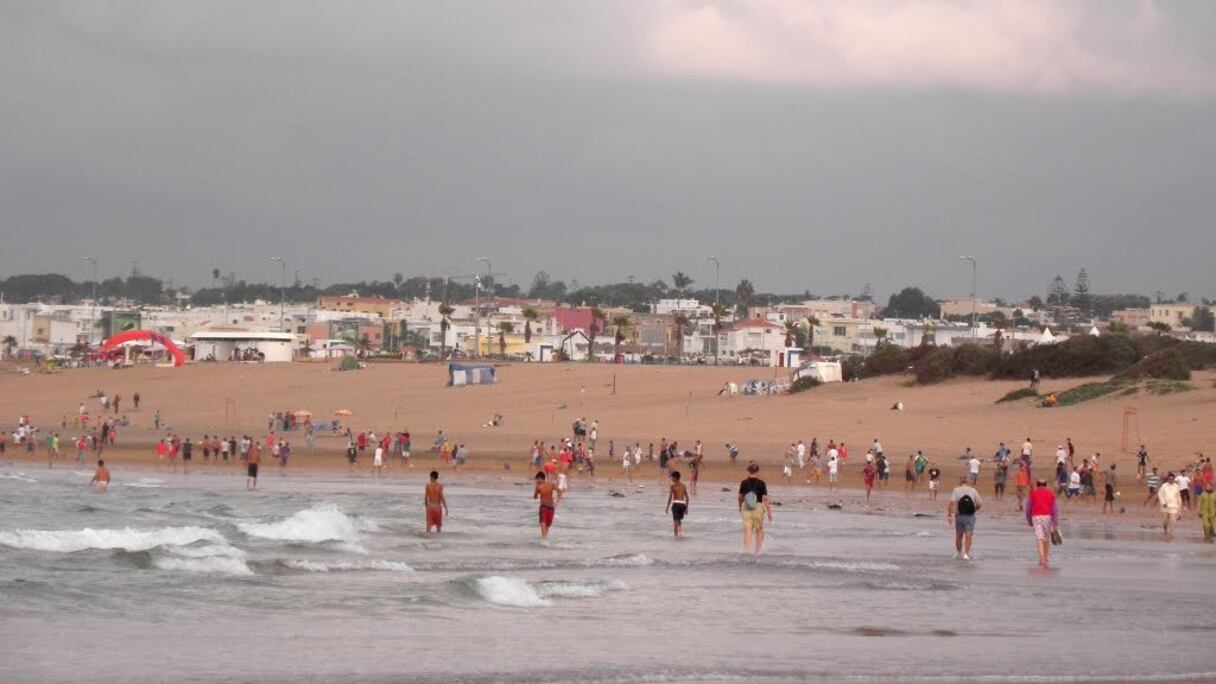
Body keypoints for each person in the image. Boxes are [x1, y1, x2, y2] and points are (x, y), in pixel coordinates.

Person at [738, 463, 772, 555]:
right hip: (758, 507)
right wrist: (769, 512)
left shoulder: (744, 483)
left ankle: (746, 551)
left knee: (748, 531)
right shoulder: (762, 483)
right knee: (759, 530)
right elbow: (765, 498)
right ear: (757, 471)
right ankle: (758, 551)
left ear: (748, 471)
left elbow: (740, 497)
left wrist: (740, 506)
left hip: (747, 507)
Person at [1026, 478, 1060, 568]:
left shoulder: (1032, 493)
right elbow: (1055, 509)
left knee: (1039, 538)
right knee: (1046, 538)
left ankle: (1041, 558)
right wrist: (1055, 522)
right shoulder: (1051, 493)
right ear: (1046, 485)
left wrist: (1029, 520)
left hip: (1036, 517)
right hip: (1048, 517)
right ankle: (1045, 557)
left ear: (1037, 485)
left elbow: (1028, 508)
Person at [947, 477, 982, 560]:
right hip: (970, 516)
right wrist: (974, 510)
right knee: (968, 535)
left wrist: (950, 514)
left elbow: (952, 502)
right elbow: (980, 503)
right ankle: (966, 554)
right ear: (967, 482)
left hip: (959, 516)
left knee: (959, 535)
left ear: (960, 482)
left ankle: (958, 553)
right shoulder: (973, 490)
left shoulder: (956, 490)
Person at [533, 471, 561, 538]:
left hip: (546, 506)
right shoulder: (551, 484)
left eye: (537, 479)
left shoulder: (539, 486)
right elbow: (559, 490)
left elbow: (535, 497)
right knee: (545, 523)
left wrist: (536, 488)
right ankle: (544, 537)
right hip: (548, 506)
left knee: (546, 523)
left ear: (540, 478)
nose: (536, 480)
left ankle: (544, 537)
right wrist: (557, 500)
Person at [1157, 472, 1182, 537]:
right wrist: (1163, 503)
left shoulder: (1177, 486)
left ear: (1174, 479)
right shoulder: (1164, 485)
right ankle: (1165, 529)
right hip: (1165, 506)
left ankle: (1171, 534)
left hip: (1174, 506)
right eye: (1169, 479)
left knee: (1173, 521)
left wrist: (1179, 510)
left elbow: (1178, 498)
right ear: (1168, 479)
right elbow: (1160, 494)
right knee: (1165, 521)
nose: (1171, 480)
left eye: (1172, 479)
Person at [666, 471, 689, 537]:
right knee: (678, 519)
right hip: (683, 505)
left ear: (675, 478)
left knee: (676, 521)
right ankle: (681, 531)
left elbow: (670, 497)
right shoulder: (684, 485)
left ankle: (675, 537)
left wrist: (667, 507)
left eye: (672, 477)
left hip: (676, 504)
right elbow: (687, 498)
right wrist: (686, 508)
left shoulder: (672, 486)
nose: (671, 479)